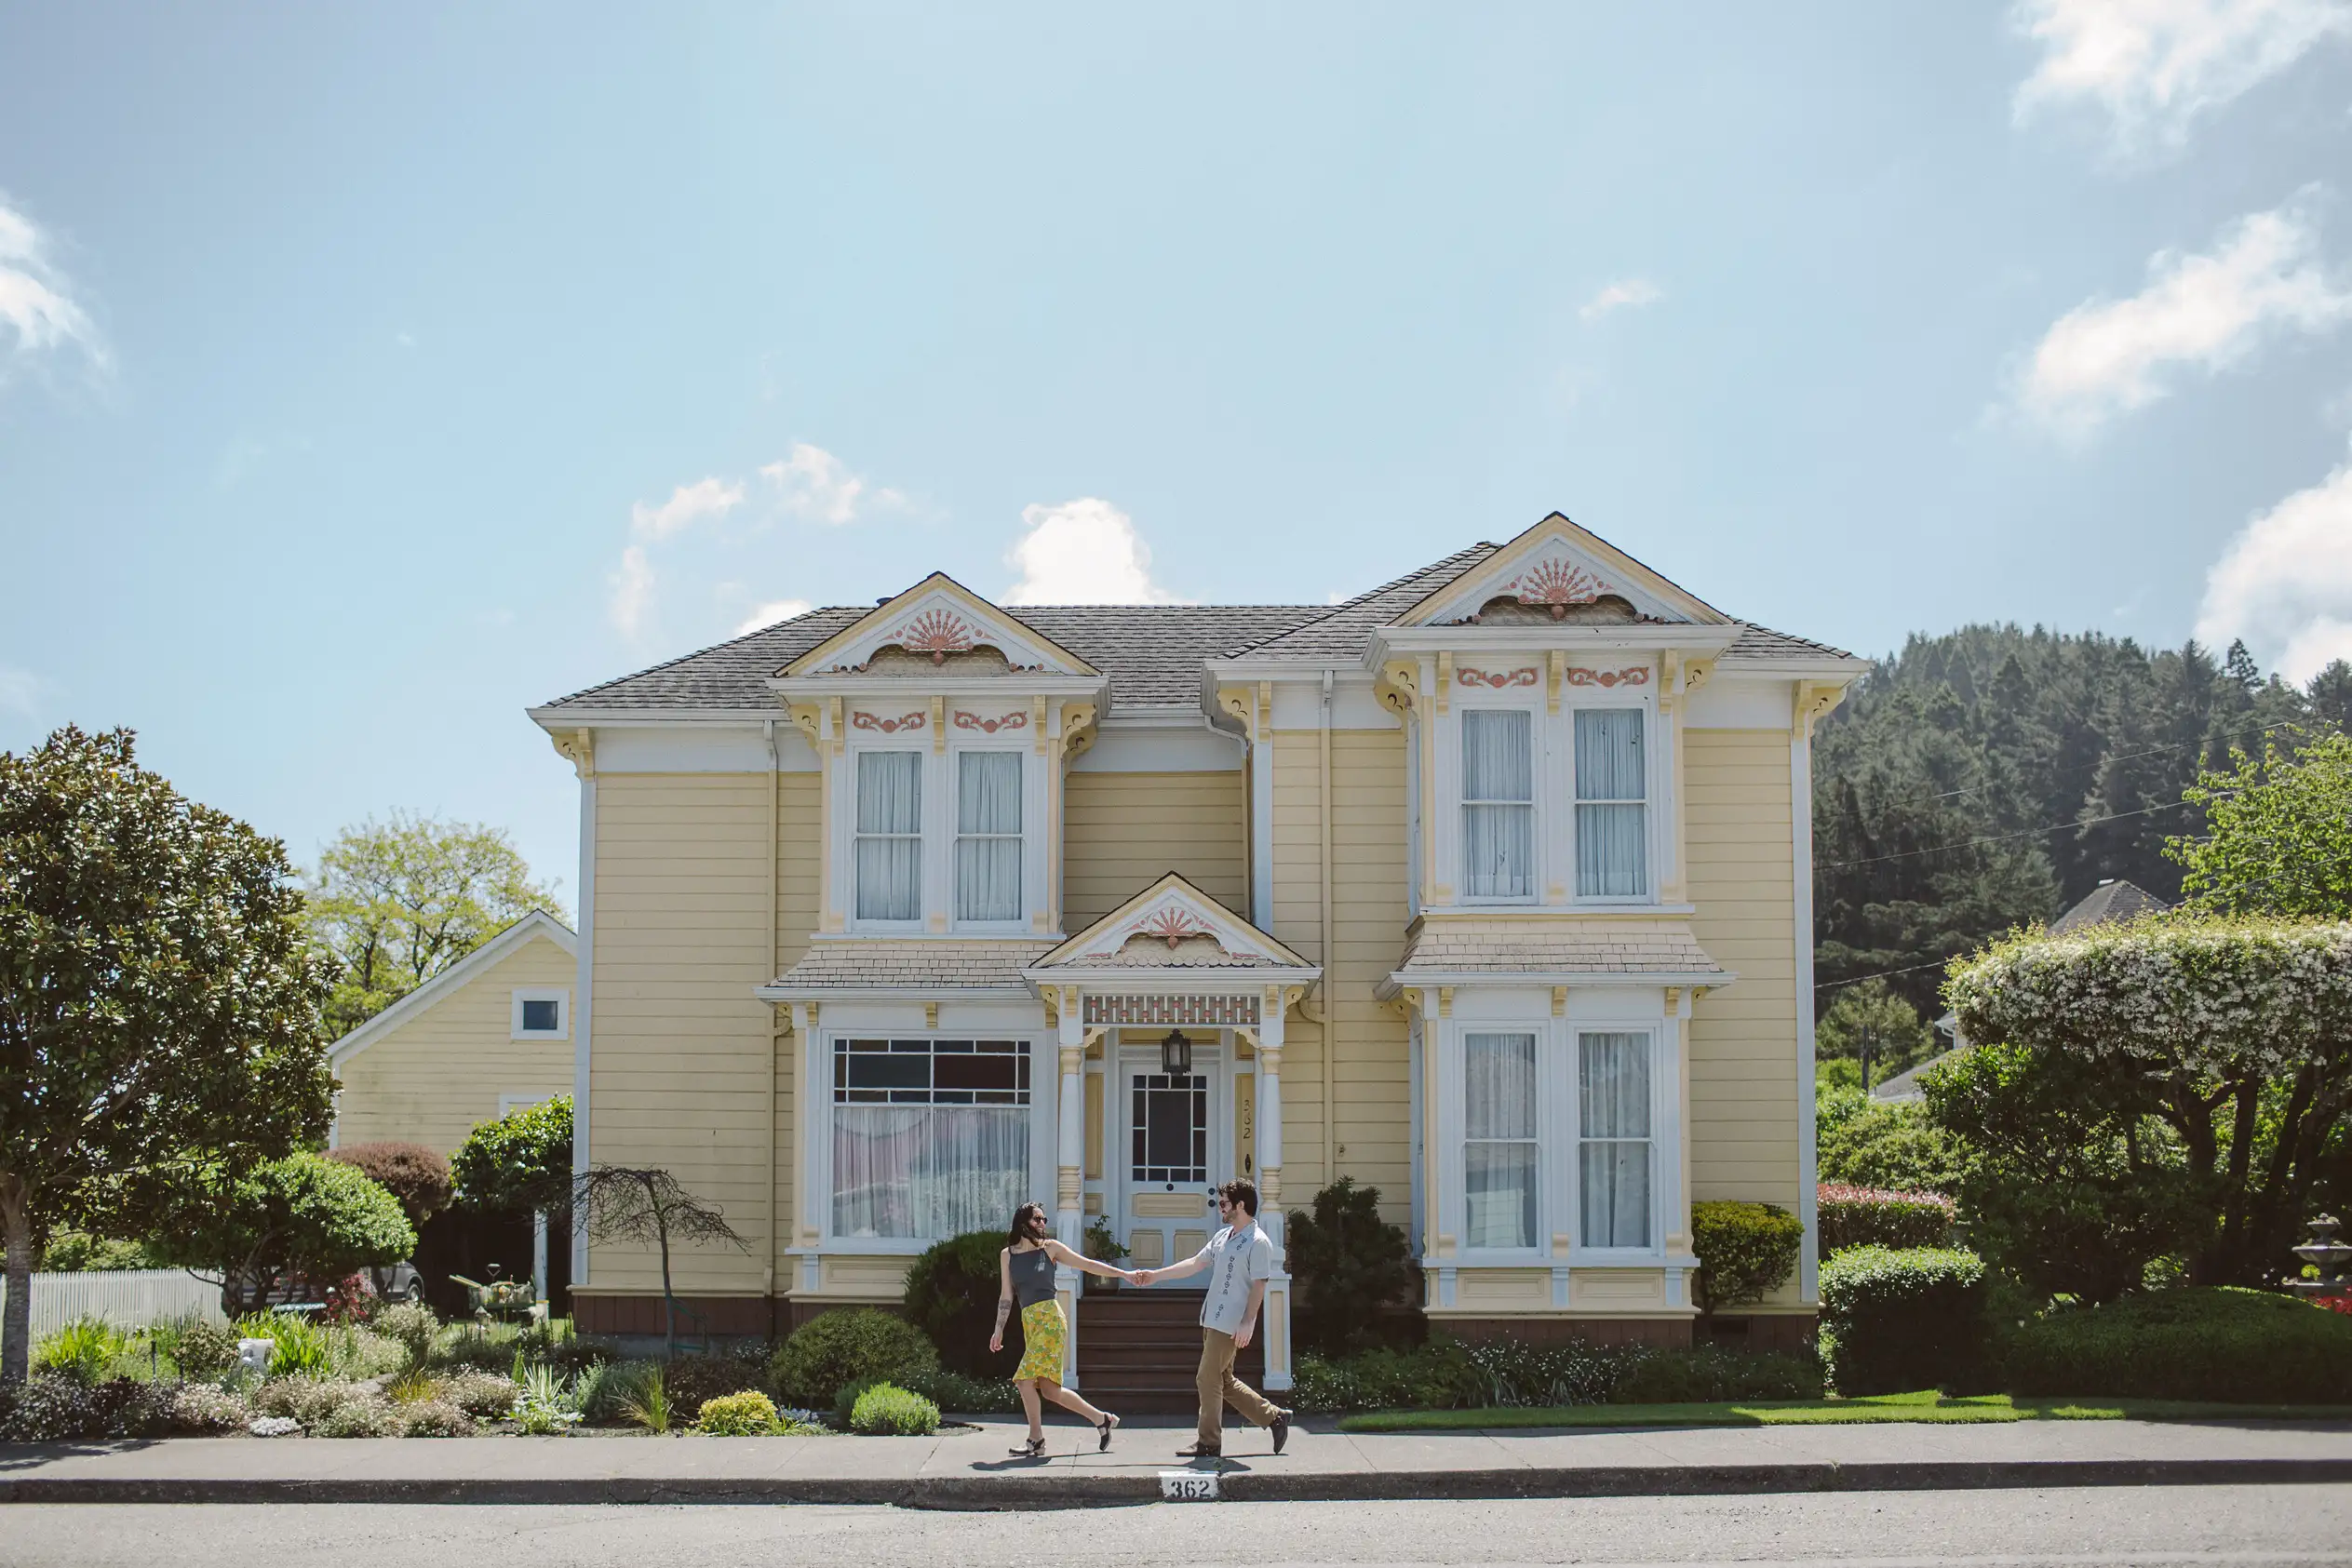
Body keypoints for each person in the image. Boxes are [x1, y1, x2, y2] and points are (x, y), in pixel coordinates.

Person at [1132, 1178, 1293, 1460]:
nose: (1220, 1208)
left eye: (1224, 1204)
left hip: (1230, 1322)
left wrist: (1248, 1322)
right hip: (1212, 1317)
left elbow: (1260, 1284)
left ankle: (1209, 1442)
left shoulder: (1258, 1242)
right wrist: (1155, 1276)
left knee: (1207, 1378)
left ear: (1240, 1205)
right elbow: (1195, 1263)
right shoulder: (1223, 1236)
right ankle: (1275, 1418)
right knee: (1223, 1380)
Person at [991, 1199, 1134, 1457]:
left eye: (1044, 1219)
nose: (1043, 1224)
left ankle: (1036, 1440)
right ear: (1023, 1224)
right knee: (1049, 1390)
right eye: (1038, 1219)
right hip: (1030, 1322)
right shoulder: (1007, 1255)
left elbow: (1087, 1264)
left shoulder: (1050, 1248)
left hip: (1050, 1320)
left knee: (1024, 1380)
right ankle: (1102, 1419)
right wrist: (998, 1329)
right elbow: (1006, 1296)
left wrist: (1124, 1275)